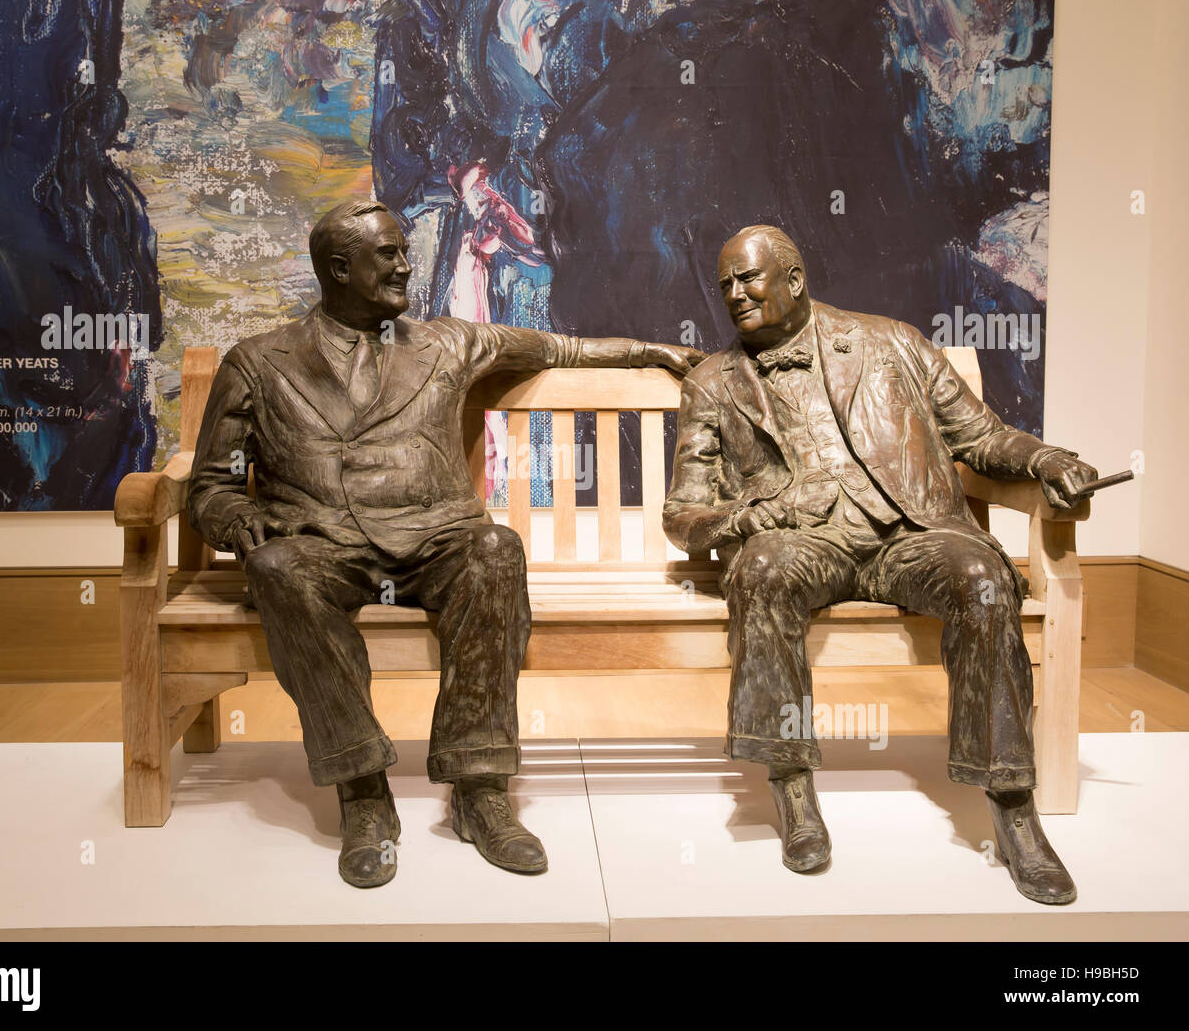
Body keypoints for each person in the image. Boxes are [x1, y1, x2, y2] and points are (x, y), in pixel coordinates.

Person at [189, 198, 702, 888]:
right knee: (278, 568)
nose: (407, 264)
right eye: (389, 255)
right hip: (321, 543)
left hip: (437, 538)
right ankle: (363, 791)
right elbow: (210, 485)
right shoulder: (257, 362)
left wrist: (648, 352)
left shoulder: (447, 343)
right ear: (339, 270)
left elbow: (560, 348)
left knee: (497, 550)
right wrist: (233, 520)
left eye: (404, 250)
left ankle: (479, 789)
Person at [663, 224, 1096, 905]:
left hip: (908, 533)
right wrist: (740, 520)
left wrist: (1048, 460)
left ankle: (1013, 806)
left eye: (749, 279)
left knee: (984, 582)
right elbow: (682, 514)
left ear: (794, 279)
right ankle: (792, 786)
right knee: (762, 571)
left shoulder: (891, 342)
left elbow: (980, 437)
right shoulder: (714, 382)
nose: (735, 295)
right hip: (803, 541)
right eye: (725, 287)